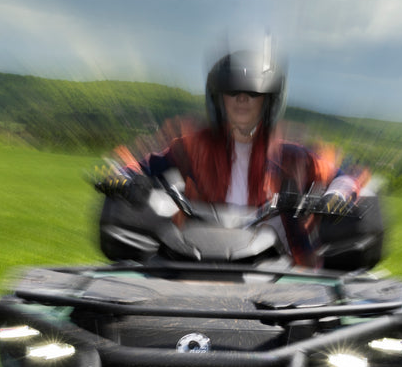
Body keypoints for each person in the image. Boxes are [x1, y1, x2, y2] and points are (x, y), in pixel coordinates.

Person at [97, 46, 369, 266]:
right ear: (218, 98)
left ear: (269, 101)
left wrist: (337, 197)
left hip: (281, 262)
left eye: (253, 93)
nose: (242, 100)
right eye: (233, 92)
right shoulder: (191, 144)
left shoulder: (294, 154)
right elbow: (136, 163)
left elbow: (345, 175)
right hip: (194, 255)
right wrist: (122, 178)